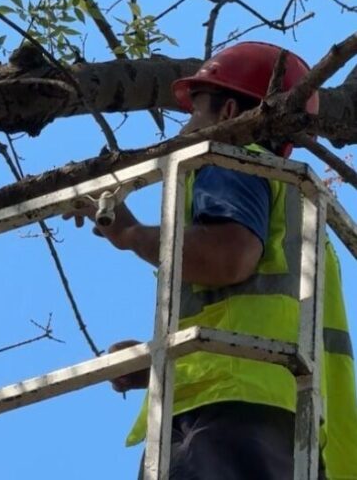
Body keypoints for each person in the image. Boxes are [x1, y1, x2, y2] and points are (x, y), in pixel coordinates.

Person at [66, 41, 357, 479]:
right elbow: (256, 315)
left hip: (227, 414)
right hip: (288, 425)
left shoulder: (231, 158)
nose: (186, 130)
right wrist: (159, 360)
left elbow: (228, 258)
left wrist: (130, 235)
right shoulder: (301, 209)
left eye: (195, 112)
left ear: (228, 115)